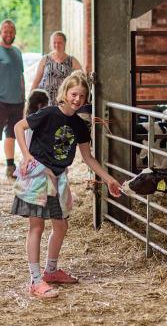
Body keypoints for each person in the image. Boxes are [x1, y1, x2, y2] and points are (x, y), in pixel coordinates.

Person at [10, 71, 122, 299]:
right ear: (65, 93)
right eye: (74, 94)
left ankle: (50, 271)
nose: (77, 99)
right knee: (37, 227)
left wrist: (108, 179)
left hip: (59, 178)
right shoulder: (49, 113)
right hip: (39, 177)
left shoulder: (80, 125)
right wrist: (25, 154)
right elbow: (19, 127)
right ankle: (34, 280)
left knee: (61, 227)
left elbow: (88, 158)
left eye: (82, 95)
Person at [0, 19, 25, 180]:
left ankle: (10, 167)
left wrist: (24, 95)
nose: (9, 34)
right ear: (1, 32)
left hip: (17, 101)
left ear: (15, 33)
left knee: (11, 134)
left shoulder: (17, 52)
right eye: (6, 31)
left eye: (11, 31)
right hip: (1, 100)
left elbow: (20, 75)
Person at [31, 31, 82, 106]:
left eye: (59, 43)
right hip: (45, 101)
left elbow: (81, 79)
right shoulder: (45, 59)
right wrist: (31, 98)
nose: (57, 45)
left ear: (64, 43)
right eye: (54, 43)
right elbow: (36, 81)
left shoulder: (72, 61)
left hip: (63, 102)